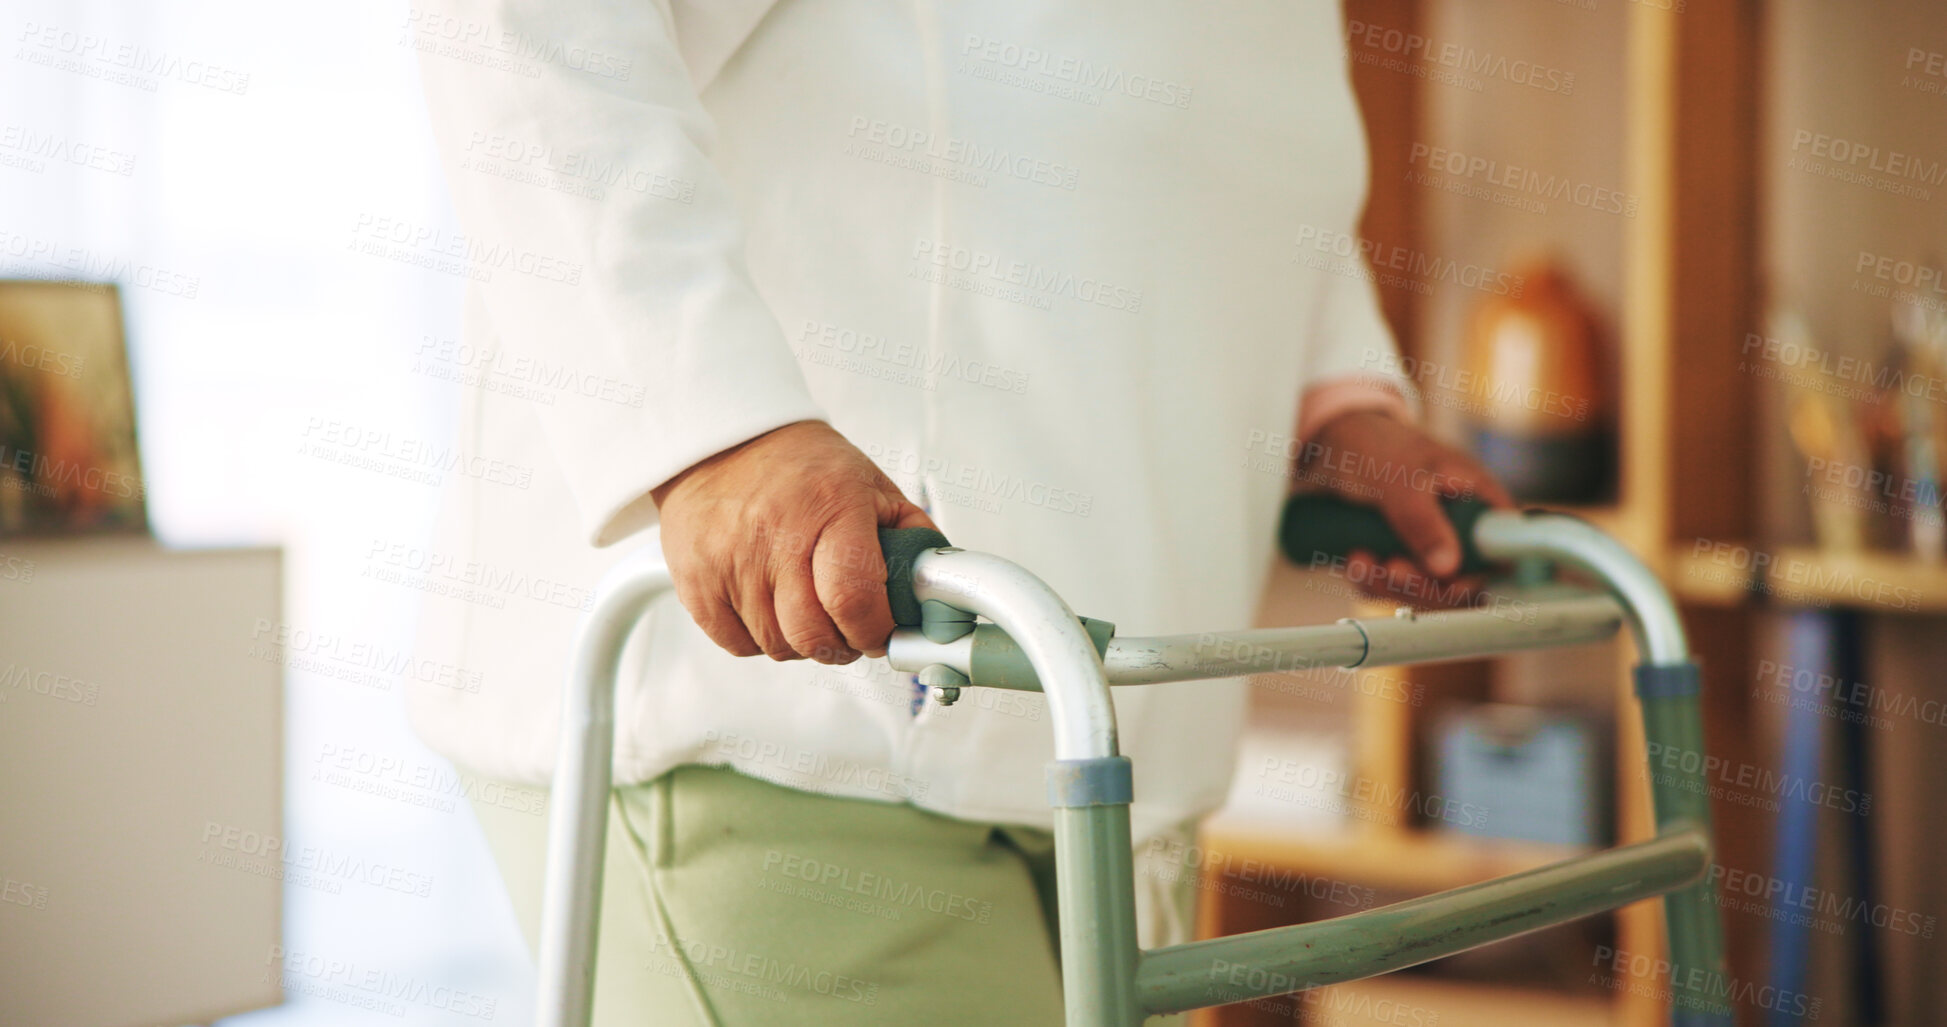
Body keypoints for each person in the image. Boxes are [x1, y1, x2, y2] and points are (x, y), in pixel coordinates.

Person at [409, 1, 1510, 1023]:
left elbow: (1242, 129)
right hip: (796, 715)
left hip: (1118, 747)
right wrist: (719, 429)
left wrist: (1334, 400)